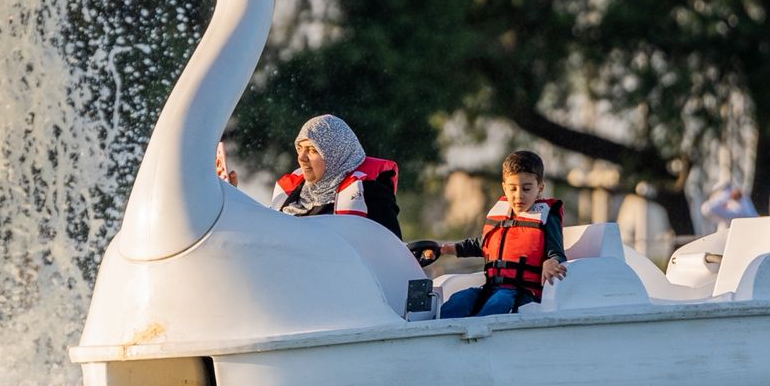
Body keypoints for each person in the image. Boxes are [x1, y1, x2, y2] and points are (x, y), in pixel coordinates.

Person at [432, 150, 567, 318]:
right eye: (513, 189)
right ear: (504, 188)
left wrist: (551, 261)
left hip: (523, 293)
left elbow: (557, 253)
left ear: (540, 188)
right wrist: (447, 249)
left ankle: (479, 334)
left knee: (497, 304)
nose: (519, 195)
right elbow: (482, 244)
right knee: (459, 301)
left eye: (526, 188)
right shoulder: (500, 215)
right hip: (490, 288)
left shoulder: (547, 217)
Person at [220, 114, 402, 238]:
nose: (301, 157)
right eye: (300, 148)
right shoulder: (291, 198)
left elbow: (390, 252)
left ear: (335, 154)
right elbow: (260, 234)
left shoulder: (369, 193)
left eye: (312, 150)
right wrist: (230, 197)